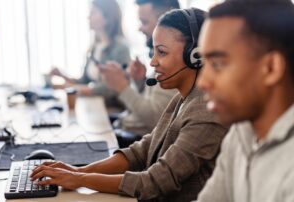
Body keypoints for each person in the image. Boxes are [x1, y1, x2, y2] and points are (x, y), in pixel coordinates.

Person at [31, 8, 228, 201]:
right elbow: (141, 152)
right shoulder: (183, 98)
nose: (153, 62)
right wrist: (78, 171)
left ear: (195, 56)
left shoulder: (205, 110)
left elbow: (154, 182)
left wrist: (81, 179)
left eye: (162, 52)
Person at [195, 0, 294, 201]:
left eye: (217, 64)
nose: (202, 82)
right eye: (203, 64)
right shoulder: (241, 132)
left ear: (271, 68)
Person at [99, 0, 180, 148]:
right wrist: (140, 82)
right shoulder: (160, 61)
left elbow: (155, 119)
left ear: (165, 21)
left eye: (144, 22)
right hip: (127, 128)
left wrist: (123, 87)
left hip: (135, 140)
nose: (140, 28)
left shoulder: (175, 65)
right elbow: (151, 104)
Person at [49, 0, 130, 109]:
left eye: (93, 12)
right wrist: (62, 75)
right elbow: (85, 81)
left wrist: (68, 87)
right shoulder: (94, 47)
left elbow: (110, 87)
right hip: (93, 106)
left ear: (107, 18)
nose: (88, 17)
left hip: (111, 110)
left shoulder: (121, 49)